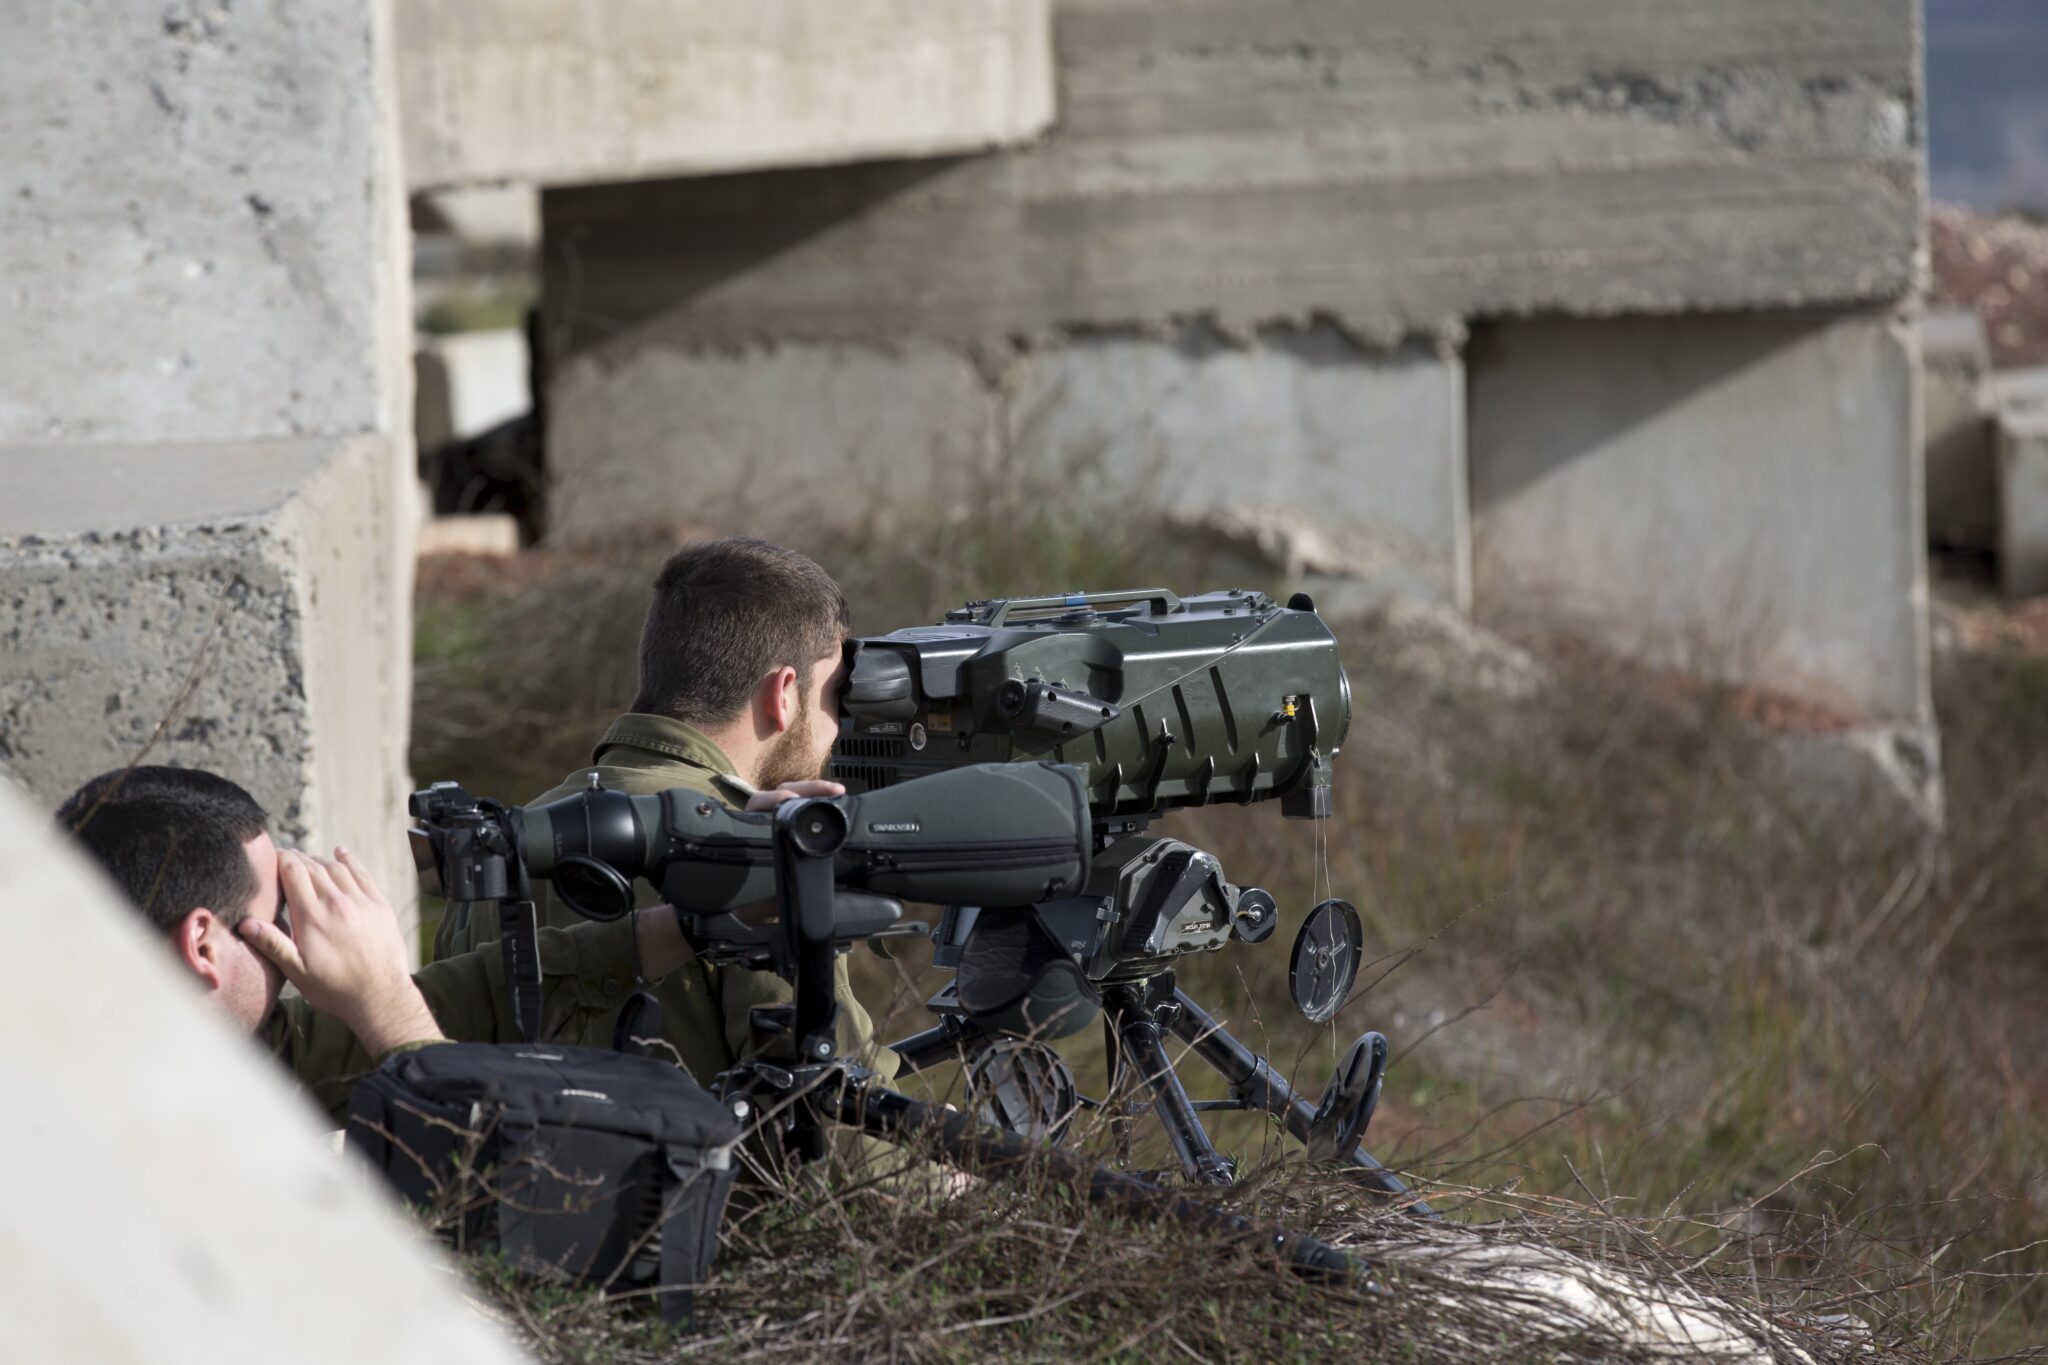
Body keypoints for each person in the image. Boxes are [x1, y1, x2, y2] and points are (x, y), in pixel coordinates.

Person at [433, 536, 899, 1091]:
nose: (837, 729)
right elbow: (845, 1136)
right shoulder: (759, 850)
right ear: (785, 694)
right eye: (836, 699)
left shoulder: (505, 840)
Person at [57, 765, 700, 1121]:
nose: (296, 933)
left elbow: (471, 996)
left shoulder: (137, 1044)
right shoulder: (134, 1131)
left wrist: (691, 924)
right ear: (202, 945)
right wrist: (386, 1003)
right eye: (279, 911)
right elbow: (484, 1184)